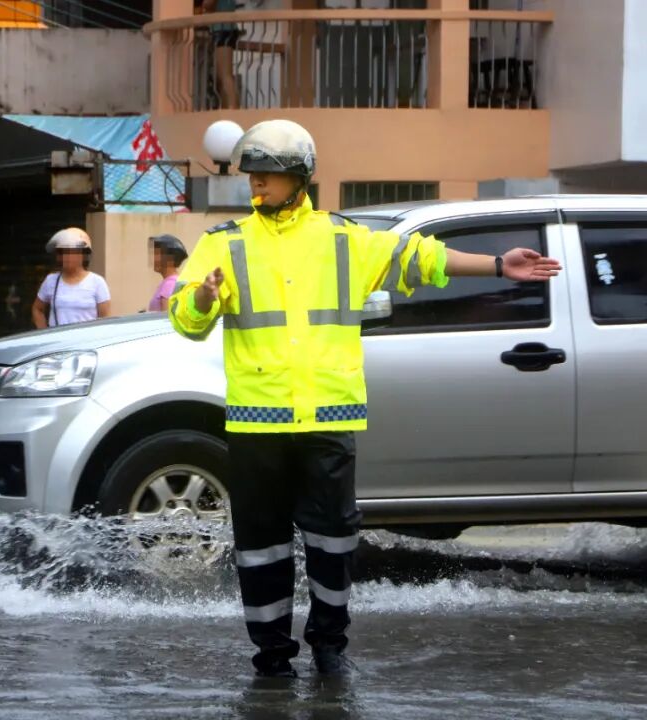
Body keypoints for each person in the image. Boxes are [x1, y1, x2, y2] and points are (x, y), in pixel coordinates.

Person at [168, 119, 561, 678]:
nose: (256, 186)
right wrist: (204, 298)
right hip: (258, 426)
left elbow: (420, 257)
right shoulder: (222, 243)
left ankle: (330, 648)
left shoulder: (343, 239)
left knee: (333, 545)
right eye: (252, 176)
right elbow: (184, 320)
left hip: (327, 421)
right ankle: (272, 657)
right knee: (260, 551)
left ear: (300, 177)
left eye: (268, 177)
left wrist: (498, 265)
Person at [32, 227, 111, 329]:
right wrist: (44, 333)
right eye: (62, 252)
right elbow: (37, 309)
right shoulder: (51, 280)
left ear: (82, 254)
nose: (65, 257)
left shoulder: (97, 282)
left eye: (70, 252)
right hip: (59, 342)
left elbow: (105, 318)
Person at [198, 0, 240, 110]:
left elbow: (208, 4)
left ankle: (233, 110)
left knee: (225, 75)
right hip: (224, 28)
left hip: (223, 28)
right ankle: (228, 109)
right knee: (221, 76)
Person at [148, 234, 188, 312]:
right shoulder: (169, 282)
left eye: (157, 254)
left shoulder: (170, 284)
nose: (154, 258)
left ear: (170, 259)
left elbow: (166, 319)